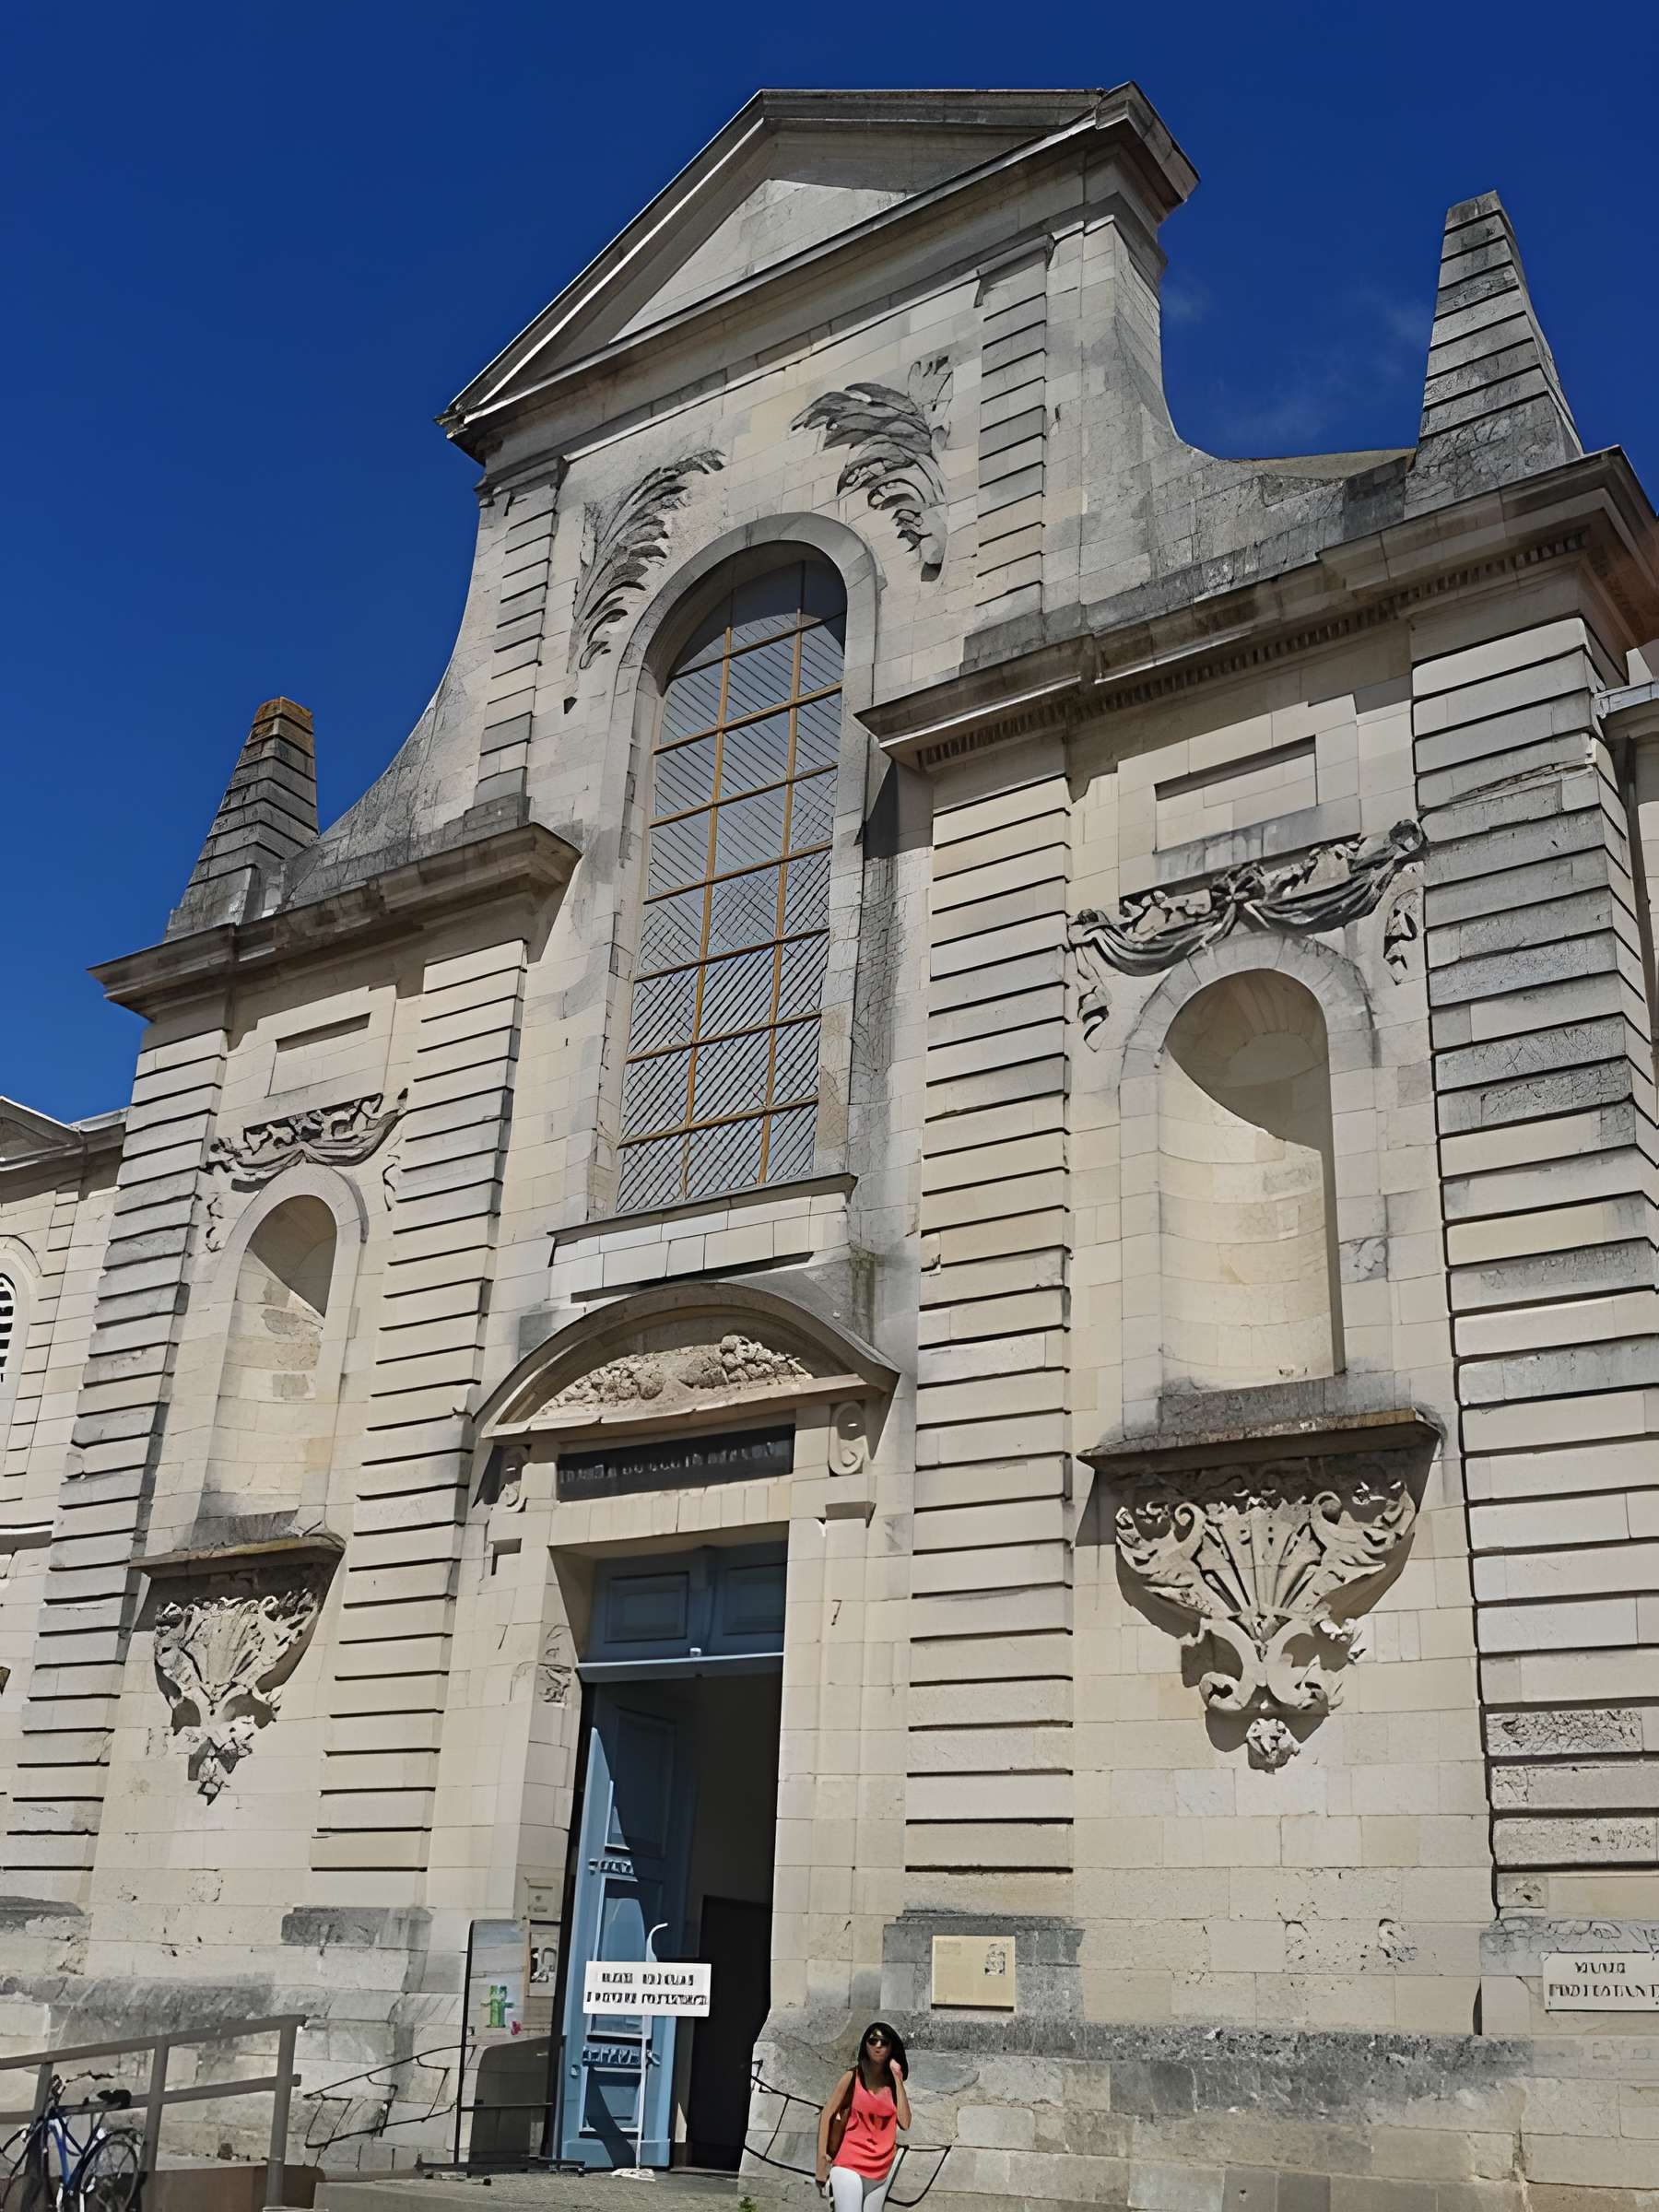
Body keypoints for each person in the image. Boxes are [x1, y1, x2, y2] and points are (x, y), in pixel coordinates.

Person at [815, 2022, 912, 2210]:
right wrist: (821, 2163)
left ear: (891, 2048)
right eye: (872, 2040)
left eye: (883, 2042)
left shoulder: (892, 2085)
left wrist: (898, 2078)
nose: (877, 2046)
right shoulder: (852, 2077)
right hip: (849, 2164)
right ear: (865, 2045)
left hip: (881, 2170)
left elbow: (905, 2123)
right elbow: (827, 2115)